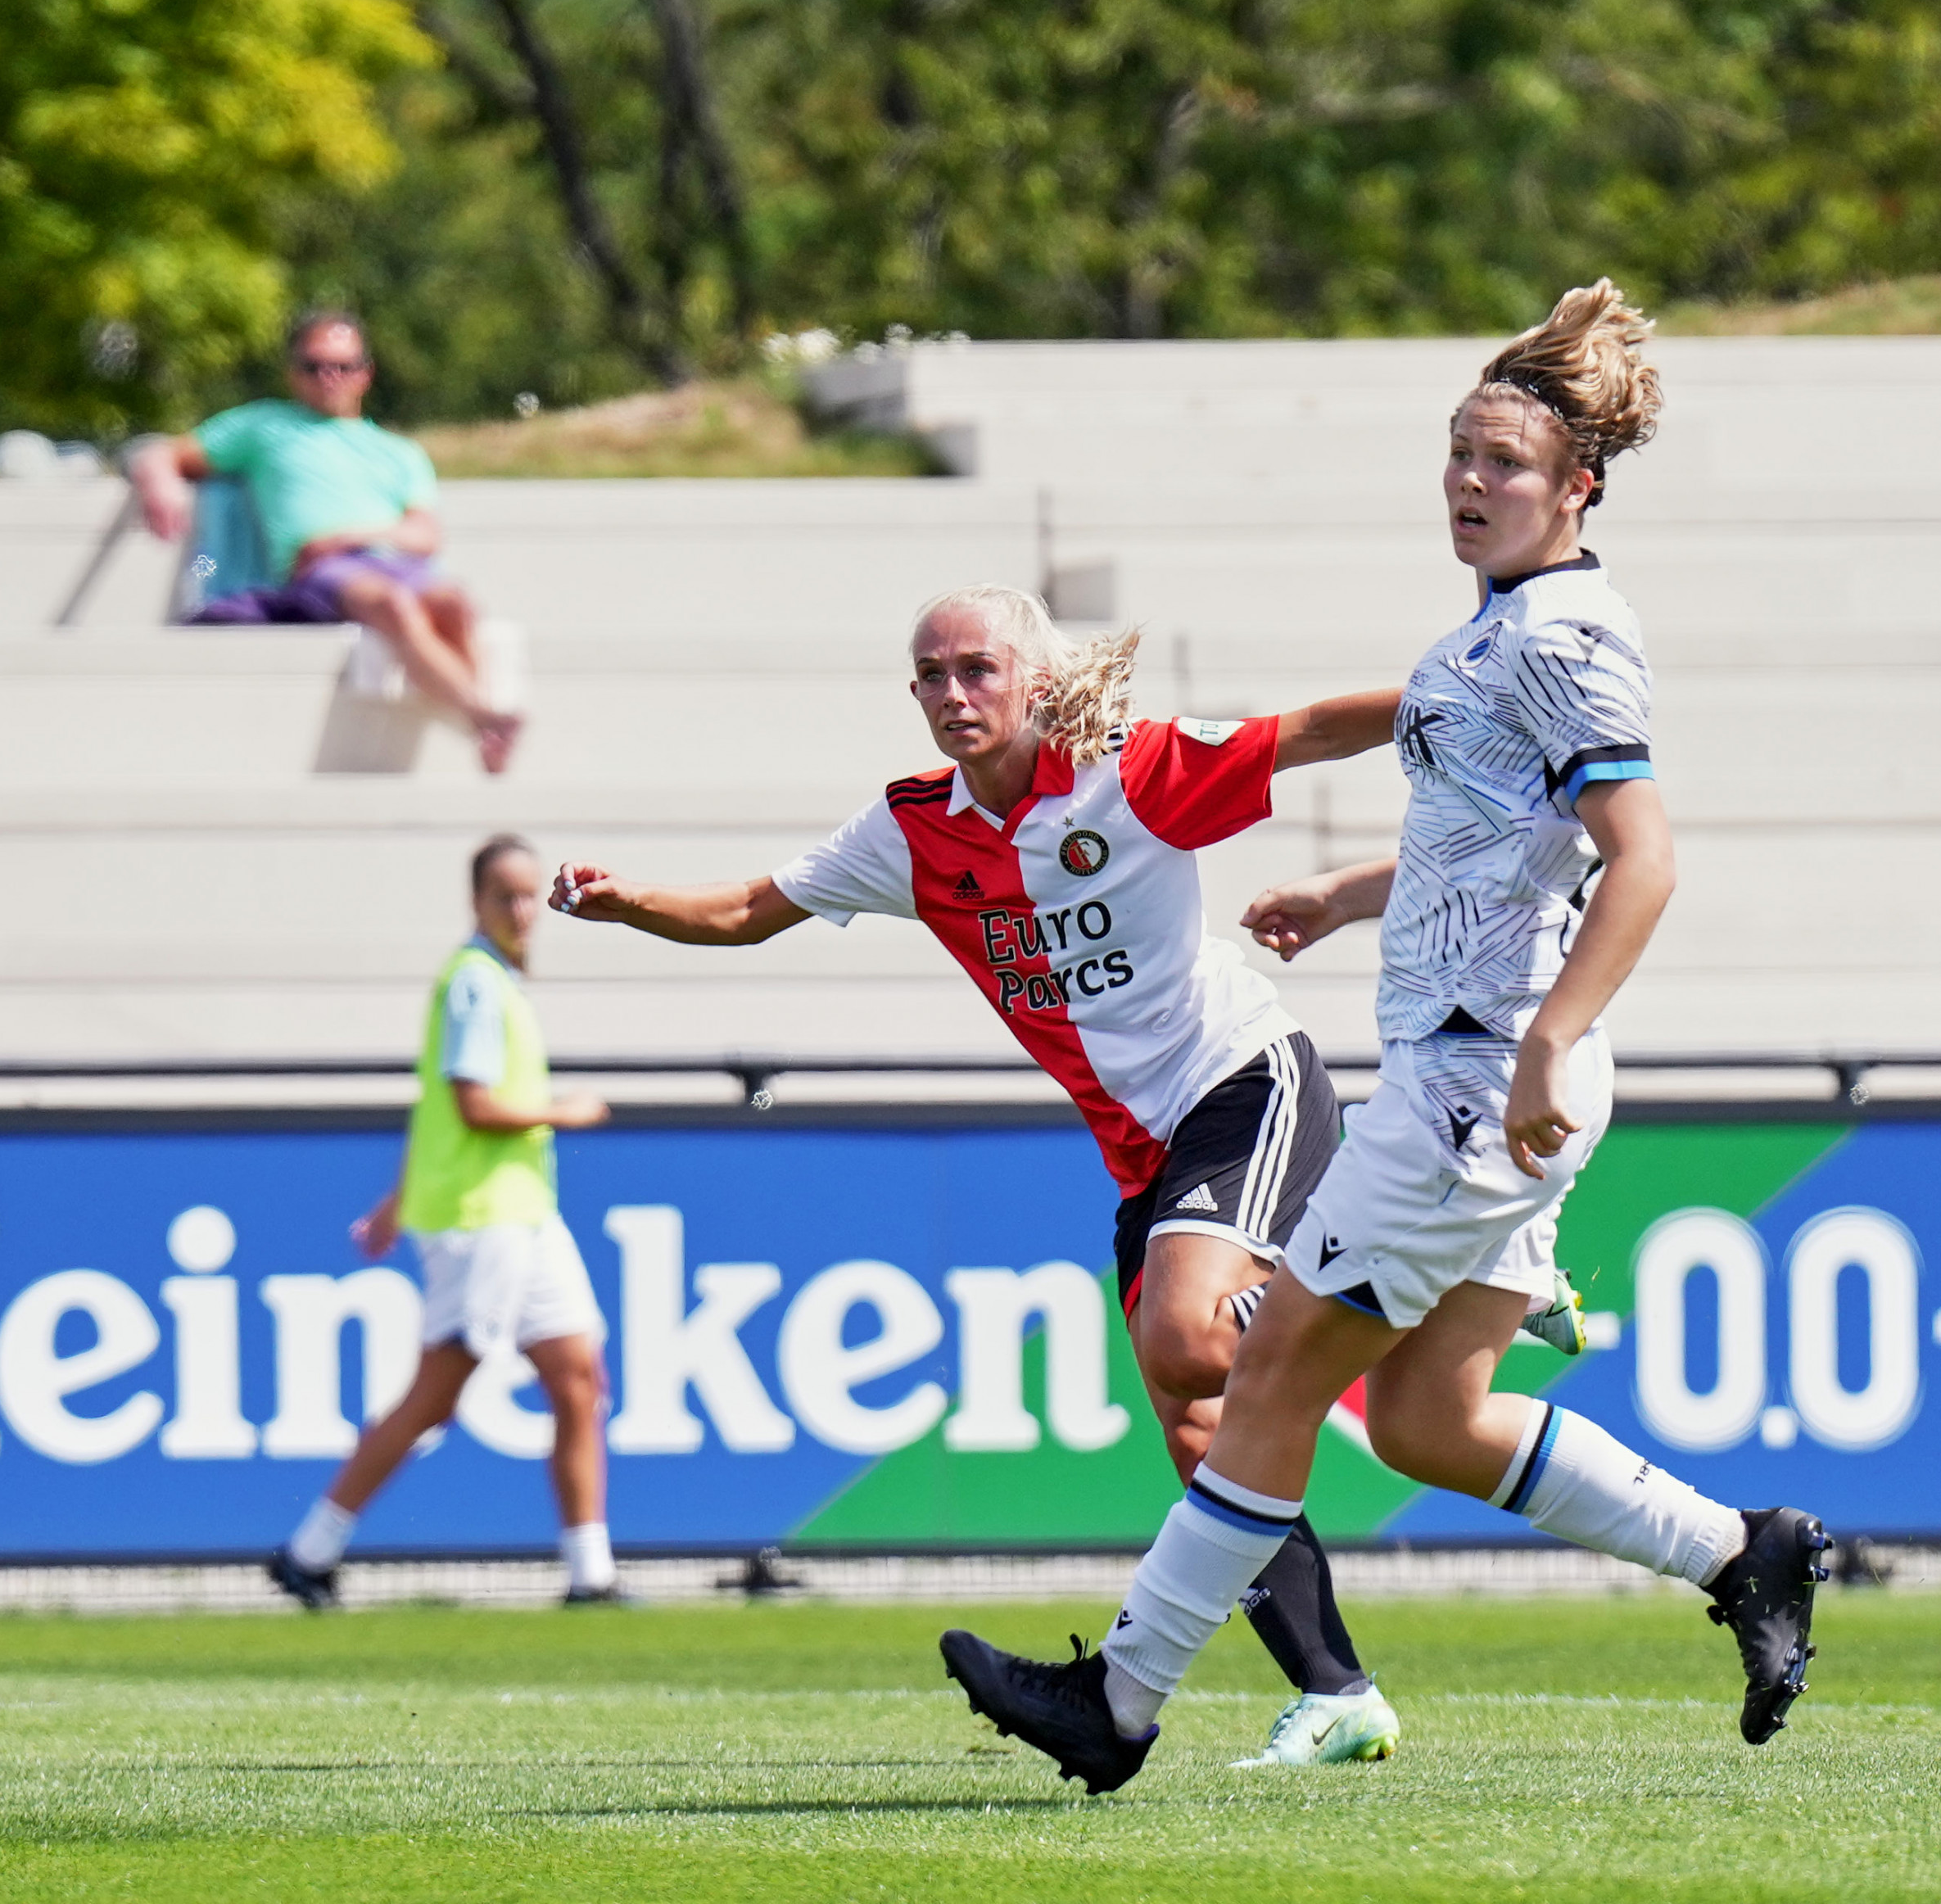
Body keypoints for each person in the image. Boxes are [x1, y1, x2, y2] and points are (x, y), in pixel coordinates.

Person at [939, 282, 1833, 1796]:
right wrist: (1356, 897)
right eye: (1460, 455)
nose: (1471, 484)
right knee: (1428, 1421)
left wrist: (1556, 1038)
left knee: (1272, 1367)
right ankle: (1746, 1553)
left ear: (1579, 488)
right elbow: (1502, 834)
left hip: (1482, 1086)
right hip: (1469, 1069)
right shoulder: (1494, 636)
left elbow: (1645, 855)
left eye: (1505, 463)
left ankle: (1124, 1701)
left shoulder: (1568, 640)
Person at [550, 583, 1423, 1768]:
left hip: (1241, 1084)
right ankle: (1337, 1692)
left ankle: (1414, 1285)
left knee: (1184, 1343)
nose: (954, 693)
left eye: (977, 669)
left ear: (1033, 679)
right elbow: (757, 908)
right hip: (1143, 1155)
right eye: (931, 675)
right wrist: (627, 903)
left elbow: (1307, 731)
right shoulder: (916, 831)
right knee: (1203, 1427)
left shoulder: (1131, 774)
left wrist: (1456, 699)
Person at [269, 834, 618, 1607]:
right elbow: (472, 1104)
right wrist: (568, 1111)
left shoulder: (497, 982)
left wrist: (393, 1204)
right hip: (480, 1220)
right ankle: (309, 1551)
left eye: (531, 896)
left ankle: (591, 1575)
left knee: (578, 1378)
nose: (523, 910)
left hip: (524, 1213)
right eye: (507, 896)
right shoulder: (474, 982)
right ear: (478, 902)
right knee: (437, 1392)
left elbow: (434, 1114)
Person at [129, 311, 525, 773]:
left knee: (454, 602)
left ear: (366, 373)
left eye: (343, 366)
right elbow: (163, 452)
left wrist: (357, 535)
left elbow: (426, 535)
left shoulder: (399, 453)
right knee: (394, 606)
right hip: (322, 570)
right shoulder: (264, 426)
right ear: (292, 373)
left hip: (392, 558)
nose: (329, 378)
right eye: (313, 366)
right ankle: (486, 716)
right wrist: (162, 483)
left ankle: (485, 723)